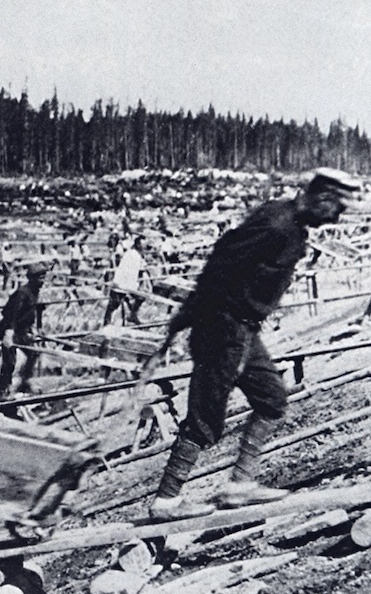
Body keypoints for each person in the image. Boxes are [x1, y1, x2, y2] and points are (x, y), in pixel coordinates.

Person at [141, 168, 361, 521]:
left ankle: (239, 485)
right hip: (222, 328)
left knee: (271, 398)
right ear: (323, 198)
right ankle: (166, 501)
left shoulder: (291, 227)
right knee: (206, 417)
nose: (337, 217)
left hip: (244, 330)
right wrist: (187, 317)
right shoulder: (275, 224)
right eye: (337, 208)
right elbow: (220, 265)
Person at [0, 261, 49, 404]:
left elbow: (35, 311)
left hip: (22, 330)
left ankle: (25, 381)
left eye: (44, 277)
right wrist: (8, 334)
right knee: (9, 361)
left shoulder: (35, 292)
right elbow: (11, 314)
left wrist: (36, 328)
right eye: (40, 278)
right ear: (32, 278)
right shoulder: (22, 293)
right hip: (9, 329)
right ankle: (3, 392)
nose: (43, 281)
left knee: (33, 353)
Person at [103, 235, 148, 326]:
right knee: (113, 305)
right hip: (121, 283)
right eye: (143, 244)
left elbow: (139, 271)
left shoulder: (138, 255)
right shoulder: (131, 254)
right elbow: (127, 271)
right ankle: (106, 325)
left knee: (141, 297)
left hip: (129, 284)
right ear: (138, 245)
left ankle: (133, 315)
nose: (145, 246)